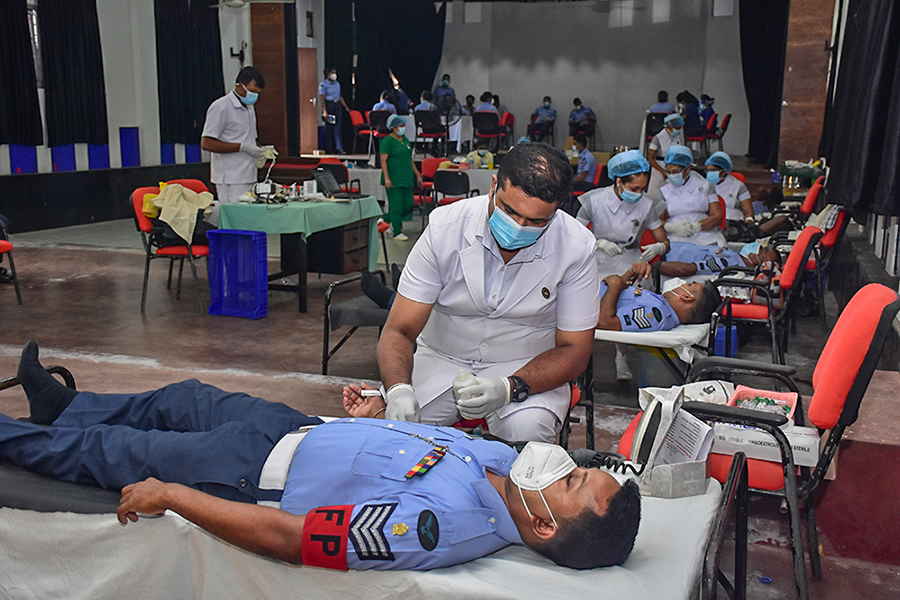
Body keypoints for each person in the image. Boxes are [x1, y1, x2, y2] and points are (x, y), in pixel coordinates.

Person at [1, 342, 641, 572]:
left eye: (572, 480)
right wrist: (368, 428)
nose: (562, 464)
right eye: (578, 465)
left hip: (247, 473)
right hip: (294, 427)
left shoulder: (440, 525)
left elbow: (293, 538)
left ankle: (19, 434)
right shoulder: (501, 473)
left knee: (109, 453)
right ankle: (62, 405)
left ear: (547, 526)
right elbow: (415, 448)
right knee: (182, 396)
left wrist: (173, 495)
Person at [377, 143, 600, 443]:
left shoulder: (576, 248)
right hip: (442, 359)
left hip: (527, 369)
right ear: (494, 185)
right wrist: (398, 390)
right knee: (394, 435)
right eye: (509, 211)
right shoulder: (445, 228)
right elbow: (399, 330)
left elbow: (575, 351)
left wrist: (511, 387)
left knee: (527, 440)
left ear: (558, 211)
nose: (519, 228)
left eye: (537, 222)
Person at [575, 149, 669, 379]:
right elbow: (574, 235)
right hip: (598, 260)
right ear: (619, 181)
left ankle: (621, 356)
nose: (638, 194)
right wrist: (598, 243)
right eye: (633, 188)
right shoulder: (593, 201)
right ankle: (579, 361)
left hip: (631, 262)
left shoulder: (647, 205)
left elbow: (663, 240)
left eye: (642, 189)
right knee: (587, 309)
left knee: (631, 306)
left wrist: (660, 248)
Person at [200, 66, 267, 207]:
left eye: (258, 93)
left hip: (249, 173)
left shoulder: (249, 108)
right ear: (240, 86)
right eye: (252, 91)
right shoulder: (221, 107)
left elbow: (249, 138)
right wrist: (241, 148)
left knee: (247, 220)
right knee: (235, 221)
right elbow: (206, 143)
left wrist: (261, 151)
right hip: (230, 178)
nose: (255, 96)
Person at [596, 264, 722, 332]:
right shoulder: (661, 302)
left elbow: (604, 322)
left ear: (686, 297)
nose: (682, 284)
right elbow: (618, 296)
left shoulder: (656, 315)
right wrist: (631, 272)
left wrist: (615, 286)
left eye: (688, 285)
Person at [660, 145, 725, 246]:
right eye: (668, 172)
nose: (671, 175)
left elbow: (717, 216)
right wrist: (671, 227)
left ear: (687, 169)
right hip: (675, 236)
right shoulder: (664, 189)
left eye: (675, 172)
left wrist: (696, 227)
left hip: (705, 234)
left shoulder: (706, 186)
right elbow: (655, 221)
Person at [380, 114, 422, 242]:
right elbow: (383, 160)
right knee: (396, 206)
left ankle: (385, 219)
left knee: (408, 204)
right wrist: (387, 178)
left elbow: (410, 159)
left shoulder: (406, 141)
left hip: (406, 178)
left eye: (404, 126)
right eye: (400, 126)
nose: (403, 128)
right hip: (394, 179)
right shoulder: (387, 141)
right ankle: (397, 232)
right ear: (393, 127)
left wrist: (417, 174)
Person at [660, 240, 779, 279]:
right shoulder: (734, 256)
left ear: (757, 260)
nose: (761, 247)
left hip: (663, 257)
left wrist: (654, 266)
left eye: (764, 251)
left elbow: (684, 269)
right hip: (667, 247)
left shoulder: (728, 263)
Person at [647, 113, 684, 196]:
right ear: (669, 127)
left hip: (673, 167)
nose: (678, 131)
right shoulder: (658, 138)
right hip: (659, 166)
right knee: (656, 194)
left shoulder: (677, 137)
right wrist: (662, 171)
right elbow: (650, 158)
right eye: (676, 128)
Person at [319, 68, 351, 154]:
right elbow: (322, 98)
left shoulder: (337, 84)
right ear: (328, 74)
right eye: (332, 73)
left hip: (337, 105)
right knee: (329, 128)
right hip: (329, 105)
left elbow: (340, 96)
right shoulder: (324, 85)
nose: (334, 75)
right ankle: (329, 148)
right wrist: (324, 111)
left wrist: (346, 107)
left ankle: (339, 148)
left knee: (338, 128)